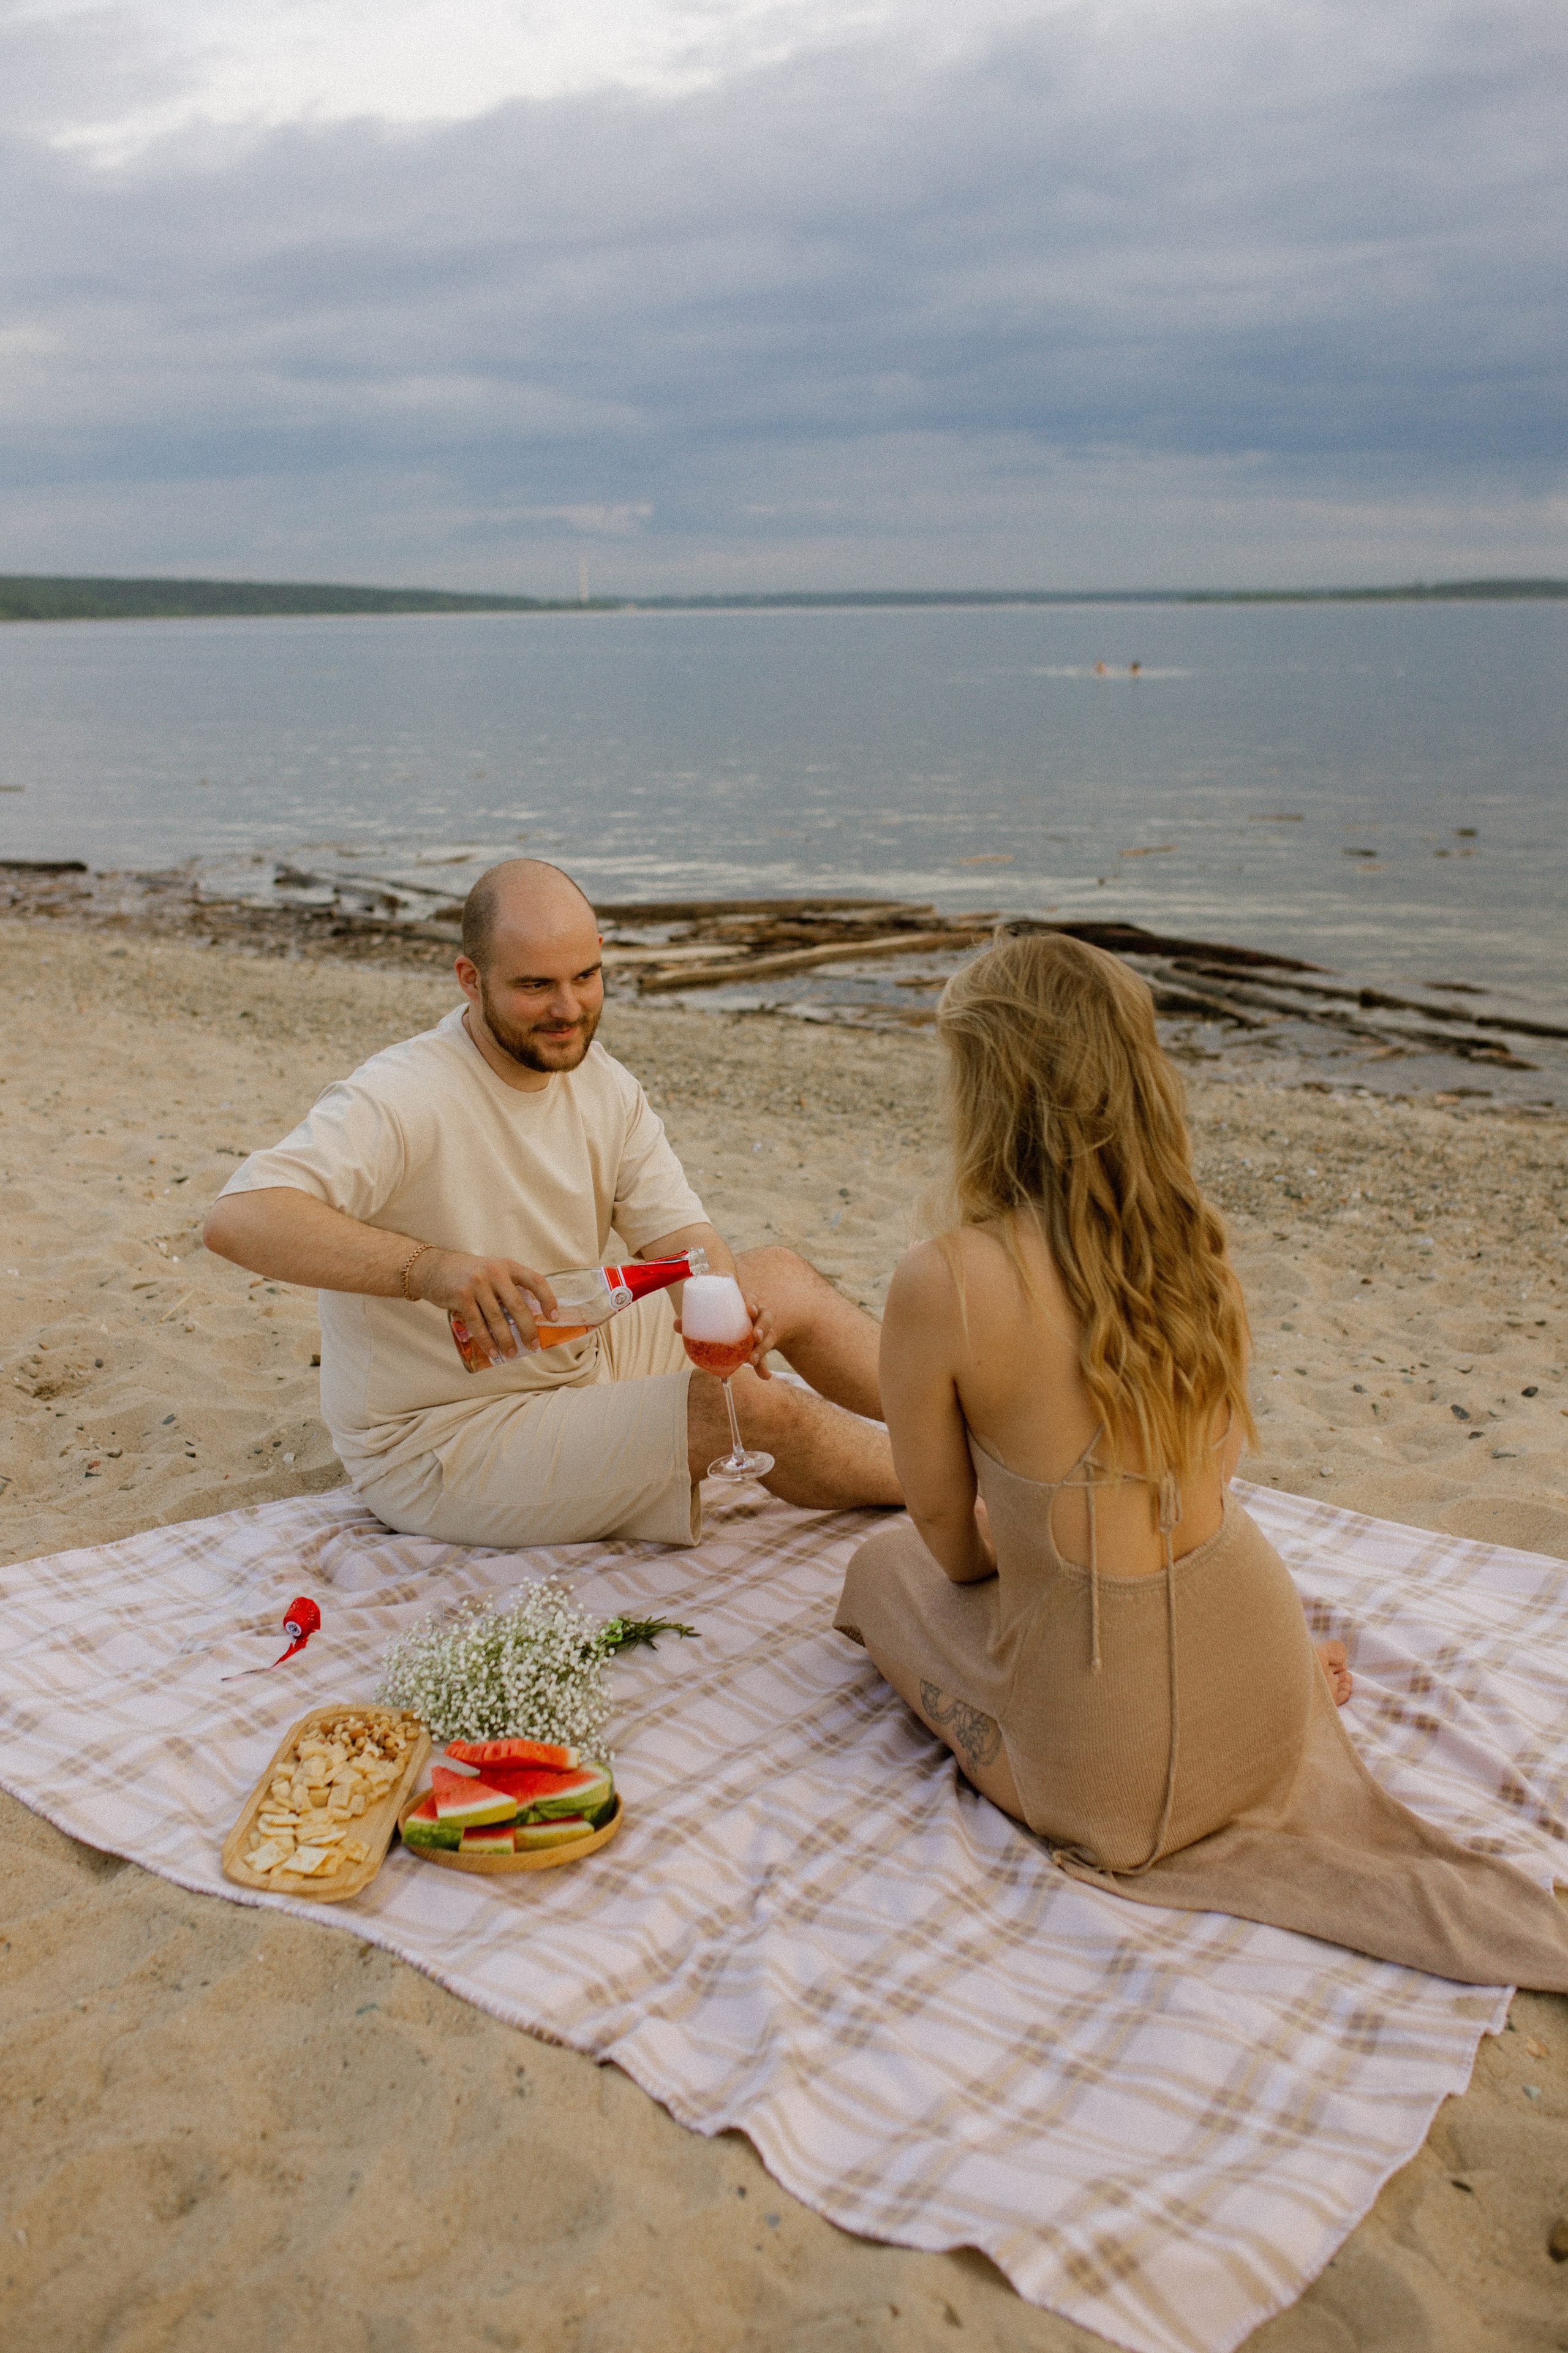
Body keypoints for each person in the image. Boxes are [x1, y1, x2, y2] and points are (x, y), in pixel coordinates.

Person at [835, 932, 1568, 1988]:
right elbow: (1214, 1478)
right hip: (1262, 1665)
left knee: (878, 1572)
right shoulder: (1193, 1241)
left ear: (987, 1091)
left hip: (1109, 1767)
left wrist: (1039, 1548)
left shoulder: (944, 1280)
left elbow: (949, 1545)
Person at [204, 859, 902, 1549]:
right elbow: (238, 1217)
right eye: (536, 985)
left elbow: (681, 1235)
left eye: (585, 978)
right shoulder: (401, 1094)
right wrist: (431, 1269)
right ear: (470, 980)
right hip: (444, 1438)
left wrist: (716, 1309)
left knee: (775, 1275)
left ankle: (981, 1438)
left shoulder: (606, 1087)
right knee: (745, 1411)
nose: (568, 1009)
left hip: (578, 1360)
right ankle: (957, 1490)